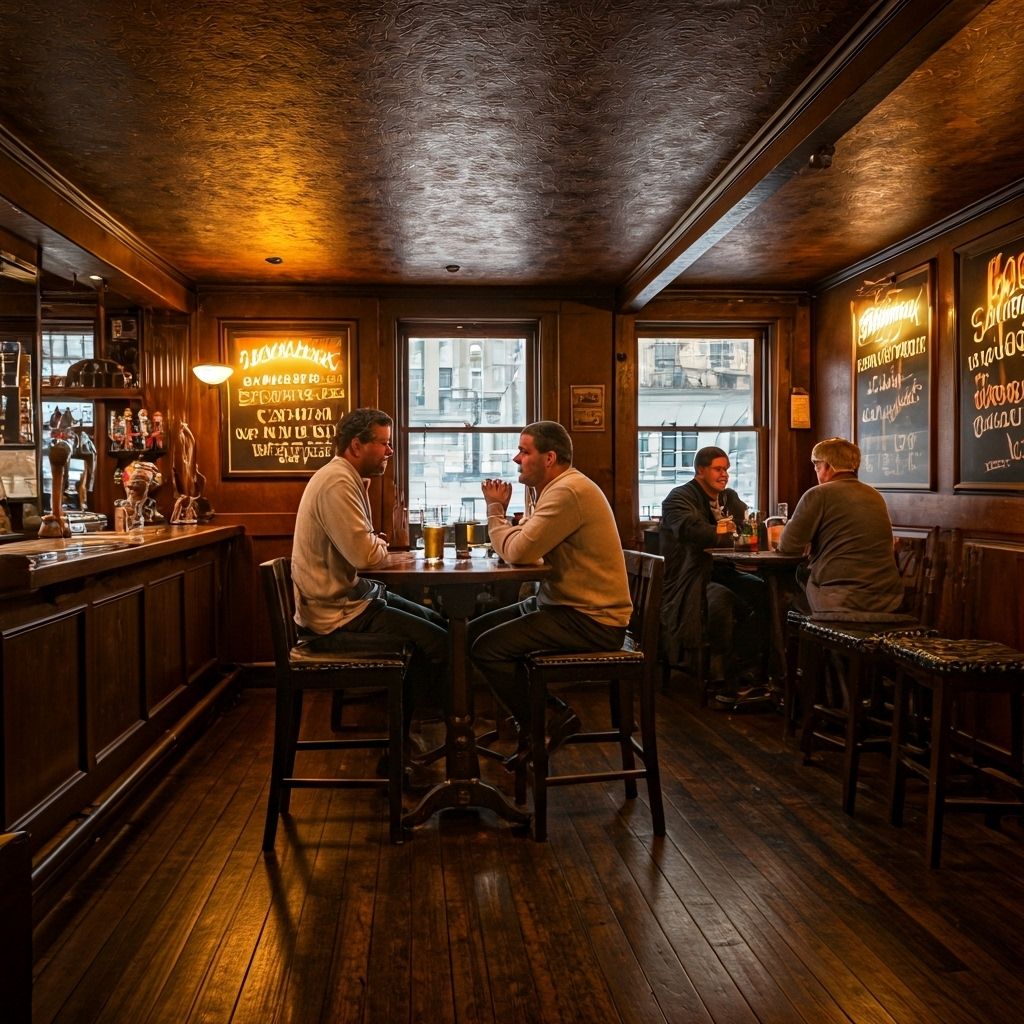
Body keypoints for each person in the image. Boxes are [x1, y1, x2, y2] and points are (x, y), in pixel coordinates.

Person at [469, 420, 631, 757]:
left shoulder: (567, 492)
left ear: (549, 458)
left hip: (592, 619)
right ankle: (534, 718)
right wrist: (513, 533)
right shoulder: (554, 491)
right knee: (471, 633)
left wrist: (495, 510)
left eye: (524, 451)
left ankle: (547, 718)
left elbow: (517, 551)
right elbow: (524, 542)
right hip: (561, 604)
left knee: (488, 648)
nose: (516, 459)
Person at [290, 407, 448, 740]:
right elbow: (365, 555)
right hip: (334, 618)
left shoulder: (345, 478)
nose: (390, 451)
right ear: (356, 445)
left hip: (348, 603)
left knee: (439, 623)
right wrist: (376, 542)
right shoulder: (337, 482)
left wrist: (375, 542)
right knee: (438, 642)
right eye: (384, 443)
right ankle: (409, 740)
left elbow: (370, 547)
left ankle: (417, 731)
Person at [659, 446, 768, 690]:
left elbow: (752, 527)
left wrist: (733, 531)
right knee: (722, 600)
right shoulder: (679, 498)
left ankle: (749, 667)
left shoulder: (729, 497)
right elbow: (694, 531)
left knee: (766, 592)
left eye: (726, 470)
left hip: (723, 571)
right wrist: (729, 532)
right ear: (700, 470)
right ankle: (721, 674)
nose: (724, 475)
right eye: (718, 469)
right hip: (688, 578)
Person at [777, 436, 903, 616]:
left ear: (827, 466)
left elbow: (788, 547)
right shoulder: (875, 495)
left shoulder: (818, 494)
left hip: (838, 599)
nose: (818, 473)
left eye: (817, 467)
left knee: (777, 595)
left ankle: (792, 644)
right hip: (886, 598)